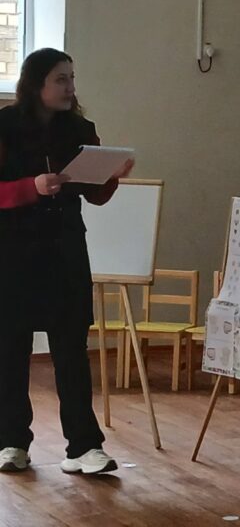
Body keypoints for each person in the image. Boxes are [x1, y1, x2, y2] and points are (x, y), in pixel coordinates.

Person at [0, 48, 133, 475]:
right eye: (61, 79)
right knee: (10, 350)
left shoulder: (80, 129)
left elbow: (95, 195)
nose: (71, 87)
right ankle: (11, 442)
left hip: (65, 252)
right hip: (13, 254)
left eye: (72, 78)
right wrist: (31, 187)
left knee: (72, 350)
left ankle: (83, 447)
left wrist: (112, 175)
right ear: (35, 83)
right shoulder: (4, 125)